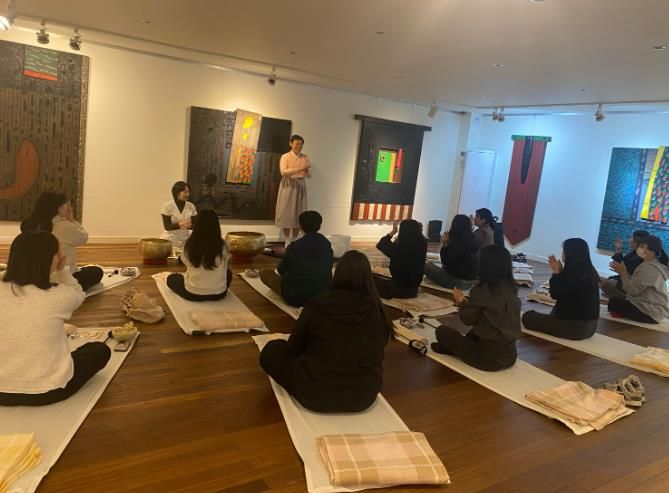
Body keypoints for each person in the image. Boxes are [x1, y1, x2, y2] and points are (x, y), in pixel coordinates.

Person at [259, 250, 391, 413]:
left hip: (315, 393)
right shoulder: (379, 311)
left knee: (272, 350)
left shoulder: (319, 304)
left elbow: (293, 347)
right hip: (363, 396)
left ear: (337, 274)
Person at [0, 231, 111, 406]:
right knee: (99, 350)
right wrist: (62, 270)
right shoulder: (58, 295)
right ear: (51, 260)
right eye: (58, 253)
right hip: (49, 391)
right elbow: (78, 293)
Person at [431, 245, 521, 371]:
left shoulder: (481, 290)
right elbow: (490, 309)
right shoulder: (512, 288)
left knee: (442, 331)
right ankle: (456, 348)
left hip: (488, 359)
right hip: (511, 355)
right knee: (474, 332)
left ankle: (453, 348)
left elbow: (467, 319)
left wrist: (460, 300)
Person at [21, 191, 103, 292]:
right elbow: (84, 237)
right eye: (66, 204)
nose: (68, 207)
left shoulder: (28, 225)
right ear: (59, 208)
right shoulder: (63, 226)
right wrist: (72, 220)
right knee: (97, 271)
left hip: (33, 277)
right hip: (60, 278)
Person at [522, 238, 600, 340]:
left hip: (576, 328)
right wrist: (561, 272)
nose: (562, 254)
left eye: (564, 251)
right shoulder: (590, 271)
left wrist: (556, 273)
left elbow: (555, 294)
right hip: (592, 327)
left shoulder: (573, 273)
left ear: (570, 254)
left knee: (527, 317)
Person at [261, 210, 332, 307]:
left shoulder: (295, 246)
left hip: (296, 297)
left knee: (265, 273)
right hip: (322, 295)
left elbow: (281, 270)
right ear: (319, 225)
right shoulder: (326, 244)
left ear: (301, 226)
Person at [166, 209, 232, 301]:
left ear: (197, 225)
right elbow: (225, 262)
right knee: (228, 273)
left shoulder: (189, 244)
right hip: (219, 294)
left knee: (171, 278)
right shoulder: (225, 245)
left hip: (193, 293)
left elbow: (185, 262)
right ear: (216, 225)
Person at [608, 235, 669, 323]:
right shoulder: (652, 264)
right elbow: (635, 283)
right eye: (639, 246)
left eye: (642, 246)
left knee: (613, 301)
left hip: (650, 312)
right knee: (616, 297)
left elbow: (631, 290)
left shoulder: (649, 268)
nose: (639, 249)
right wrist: (623, 272)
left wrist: (623, 273)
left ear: (652, 250)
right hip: (653, 308)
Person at [374, 219, 427, 299]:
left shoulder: (399, 247)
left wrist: (393, 232)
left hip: (399, 289)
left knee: (370, 280)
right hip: (414, 289)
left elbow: (381, 244)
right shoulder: (423, 244)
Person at [424, 214, 478, 289]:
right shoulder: (472, 239)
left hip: (457, 282)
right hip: (469, 282)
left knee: (426, 265)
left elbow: (445, 261)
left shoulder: (457, 242)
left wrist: (445, 244)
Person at [275, 135, 311, 247]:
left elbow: (309, 175)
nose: (299, 146)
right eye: (297, 144)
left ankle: (295, 239)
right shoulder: (285, 157)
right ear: (291, 143)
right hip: (288, 186)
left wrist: (306, 171)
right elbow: (283, 172)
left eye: (301, 144)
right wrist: (299, 169)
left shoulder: (305, 157)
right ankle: (287, 240)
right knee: (286, 211)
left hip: (300, 186)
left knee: (299, 212)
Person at [600, 230, 649, 297]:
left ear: (636, 242)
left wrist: (621, 271)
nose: (629, 240)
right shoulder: (635, 252)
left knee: (607, 283)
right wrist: (618, 248)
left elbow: (627, 271)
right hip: (624, 279)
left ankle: (620, 296)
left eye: (631, 238)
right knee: (604, 281)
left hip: (631, 284)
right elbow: (621, 262)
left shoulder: (641, 256)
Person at [161, 181, 198, 254]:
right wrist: (179, 224)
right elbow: (167, 226)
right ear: (177, 193)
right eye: (185, 192)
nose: (188, 194)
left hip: (185, 239)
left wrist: (190, 226)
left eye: (188, 192)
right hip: (170, 239)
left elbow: (195, 225)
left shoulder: (191, 206)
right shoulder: (167, 206)